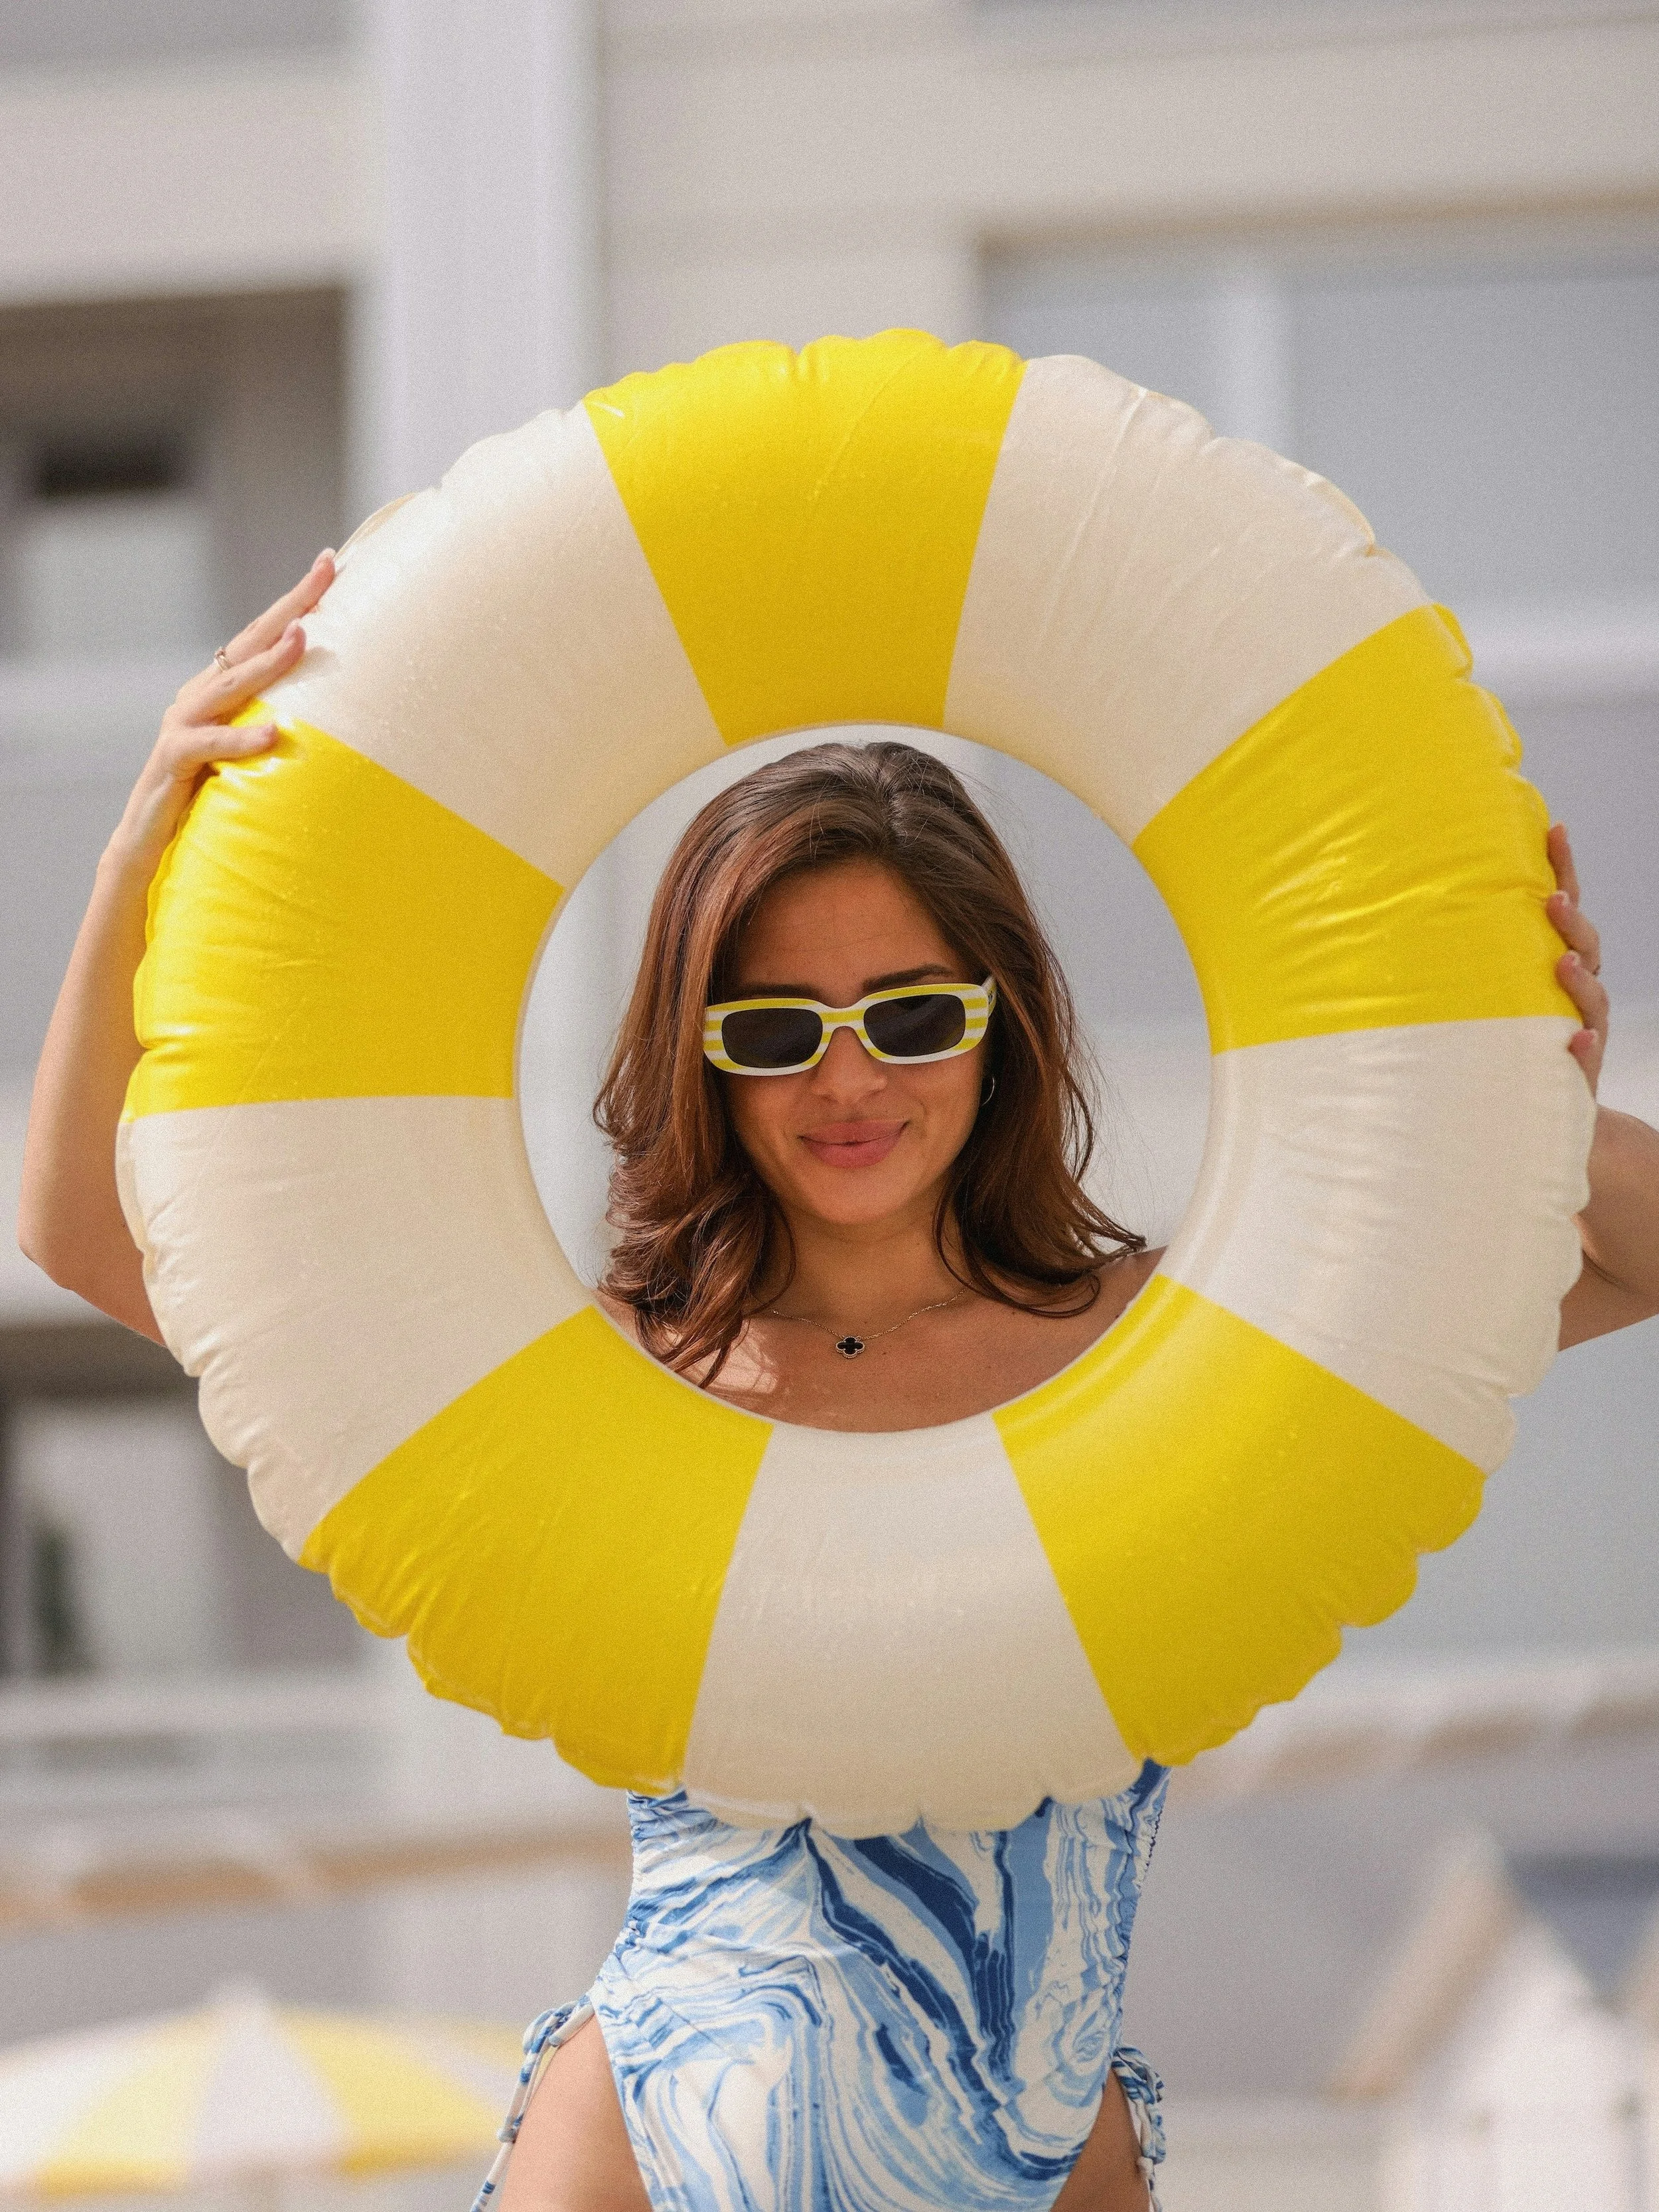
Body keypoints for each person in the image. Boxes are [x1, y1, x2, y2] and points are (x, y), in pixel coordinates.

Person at [19, 563, 1659, 2212]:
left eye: (913, 1015)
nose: (849, 1078)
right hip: (638, 2154)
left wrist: (1515, 1092)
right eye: (773, 1030)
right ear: (701, 1058)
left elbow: (1637, 1257)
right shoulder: (607, 1375)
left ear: (1001, 1028)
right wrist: (132, 857)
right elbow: (85, 1236)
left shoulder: (1175, 1345)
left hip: (1041, 2160)